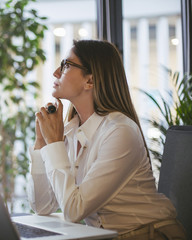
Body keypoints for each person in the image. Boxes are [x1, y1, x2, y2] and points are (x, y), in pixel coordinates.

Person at [27, 39, 186, 239]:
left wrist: (55, 144)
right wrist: (42, 144)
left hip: (149, 234)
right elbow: (41, 206)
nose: (56, 73)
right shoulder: (70, 130)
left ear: (90, 81)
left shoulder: (120, 132)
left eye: (66, 65)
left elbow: (73, 210)